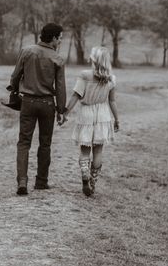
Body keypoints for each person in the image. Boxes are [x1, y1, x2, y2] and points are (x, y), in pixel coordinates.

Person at [9, 23, 66, 195]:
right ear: (54, 38)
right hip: (48, 104)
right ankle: (41, 182)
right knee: (45, 144)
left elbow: (15, 75)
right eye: (60, 37)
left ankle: (22, 181)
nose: (61, 41)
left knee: (24, 142)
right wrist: (61, 111)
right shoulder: (58, 59)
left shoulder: (27, 51)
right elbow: (61, 87)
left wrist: (14, 89)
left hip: (28, 102)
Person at [59, 46, 119, 196]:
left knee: (85, 149)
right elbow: (112, 101)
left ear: (93, 59)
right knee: (98, 150)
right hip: (103, 115)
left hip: (86, 113)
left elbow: (76, 95)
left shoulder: (85, 75)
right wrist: (117, 119)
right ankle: (92, 182)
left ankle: (85, 174)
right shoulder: (111, 78)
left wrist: (65, 112)